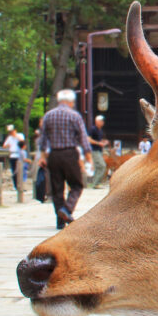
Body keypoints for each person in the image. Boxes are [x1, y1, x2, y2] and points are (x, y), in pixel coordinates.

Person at [37, 89, 94, 229]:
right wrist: (89, 157)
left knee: (57, 188)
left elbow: (43, 139)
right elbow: (83, 138)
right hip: (70, 154)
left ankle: (60, 222)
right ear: (71, 102)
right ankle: (67, 209)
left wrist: (42, 157)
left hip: (54, 155)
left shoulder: (48, 116)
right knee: (77, 185)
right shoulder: (74, 116)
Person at [87, 114, 108, 189]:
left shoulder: (100, 130)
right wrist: (99, 143)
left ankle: (95, 183)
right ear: (97, 121)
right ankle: (96, 183)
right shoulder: (93, 129)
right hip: (94, 150)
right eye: (101, 121)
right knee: (102, 166)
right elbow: (88, 139)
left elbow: (99, 140)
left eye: (103, 121)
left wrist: (103, 142)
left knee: (97, 167)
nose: (103, 122)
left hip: (99, 150)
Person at [2, 125, 25, 190]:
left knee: (20, 171)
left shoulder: (20, 135)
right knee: (14, 171)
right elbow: (4, 146)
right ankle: (15, 186)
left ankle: (21, 185)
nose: (11, 133)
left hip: (19, 155)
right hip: (12, 155)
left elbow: (22, 141)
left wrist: (15, 136)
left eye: (11, 131)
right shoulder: (9, 138)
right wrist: (8, 145)